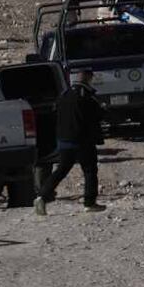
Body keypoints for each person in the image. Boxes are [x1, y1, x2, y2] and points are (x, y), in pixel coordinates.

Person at [34, 69, 105, 215]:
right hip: (83, 141)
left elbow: (56, 115)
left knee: (61, 170)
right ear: (88, 79)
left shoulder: (63, 95)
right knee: (90, 171)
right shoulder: (88, 96)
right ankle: (89, 203)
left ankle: (42, 196)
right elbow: (97, 116)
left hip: (64, 141)